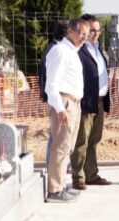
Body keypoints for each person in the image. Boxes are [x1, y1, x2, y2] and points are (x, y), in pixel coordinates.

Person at [44, 18, 89, 203]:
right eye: (81, 33)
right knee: (60, 146)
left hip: (74, 103)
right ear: (69, 31)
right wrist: (60, 108)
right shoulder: (60, 51)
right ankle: (54, 190)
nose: (84, 38)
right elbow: (51, 83)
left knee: (67, 147)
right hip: (64, 102)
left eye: (86, 34)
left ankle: (61, 185)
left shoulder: (72, 52)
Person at [70, 14, 112, 190]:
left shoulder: (99, 50)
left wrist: (107, 101)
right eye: (92, 30)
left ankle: (91, 175)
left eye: (98, 30)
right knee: (81, 141)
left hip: (100, 101)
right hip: (86, 102)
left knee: (94, 140)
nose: (95, 34)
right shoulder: (78, 50)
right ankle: (78, 177)